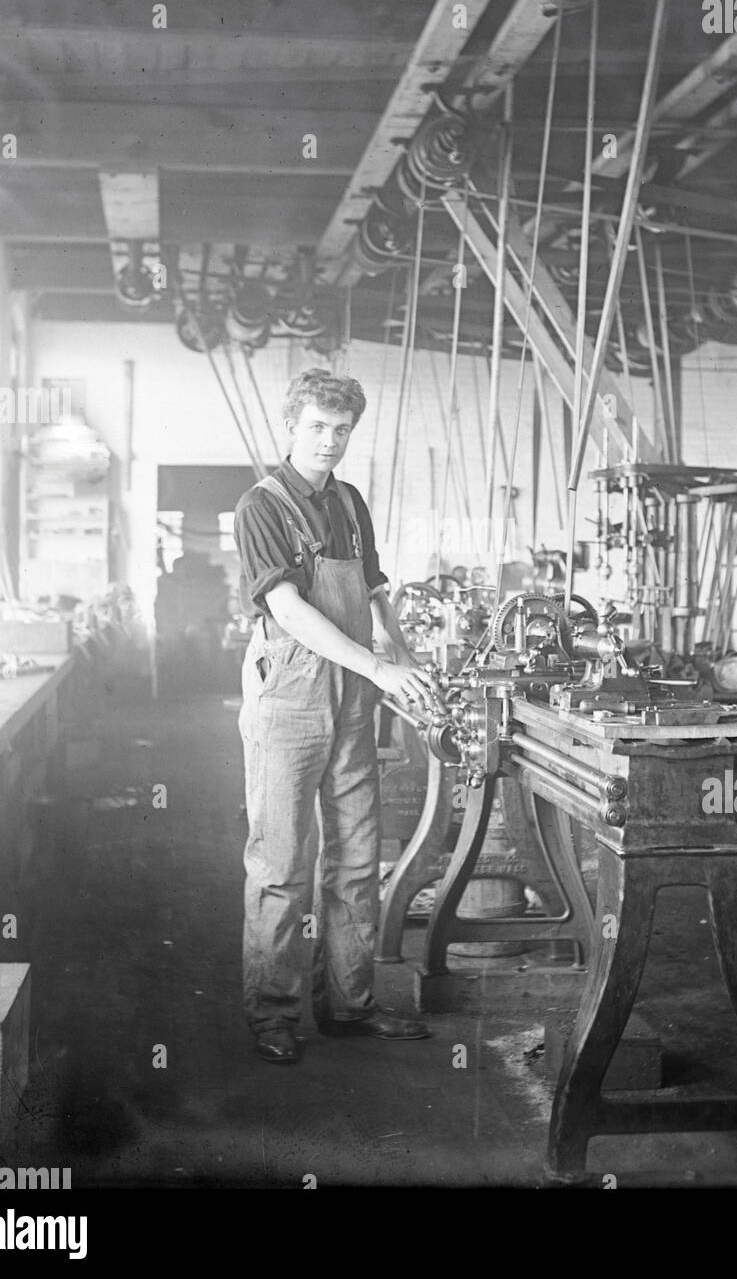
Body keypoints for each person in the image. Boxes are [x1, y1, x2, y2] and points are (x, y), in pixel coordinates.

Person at [233, 369, 441, 1064]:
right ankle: (273, 1014)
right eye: (317, 426)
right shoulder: (260, 506)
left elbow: (374, 591)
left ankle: (350, 1005)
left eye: (341, 429)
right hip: (290, 698)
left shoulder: (350, 502)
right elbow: (288, 609)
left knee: (356, 860)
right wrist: (378, 667)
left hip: (353, 697)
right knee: (283, 863)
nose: (329, 441)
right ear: (292, 426)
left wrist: (405, 659)